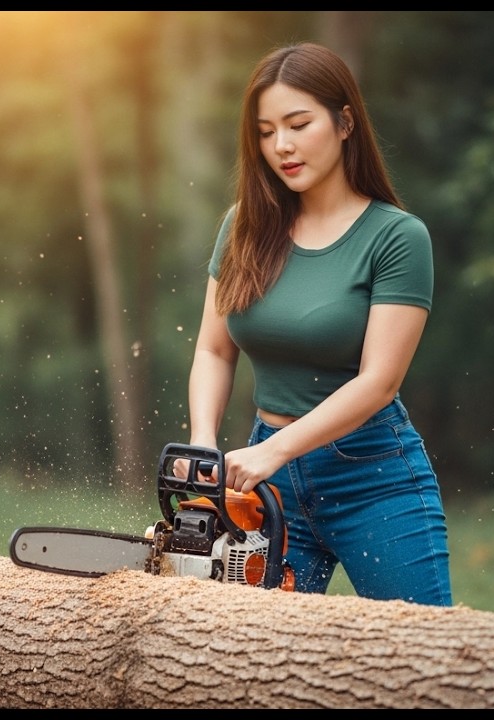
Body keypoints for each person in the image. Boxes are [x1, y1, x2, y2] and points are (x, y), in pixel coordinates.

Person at [178, 42, 453, 606]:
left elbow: (379, 382)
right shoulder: (242, 227)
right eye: (265, 130)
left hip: (372, 476)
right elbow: (213, 350)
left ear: (345, 121)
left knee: (422, 660)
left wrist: (276, 452)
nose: (281, 145)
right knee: (255, 665)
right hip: (265, 479)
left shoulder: (398, 237)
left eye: (299, 124)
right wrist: (205, 445)